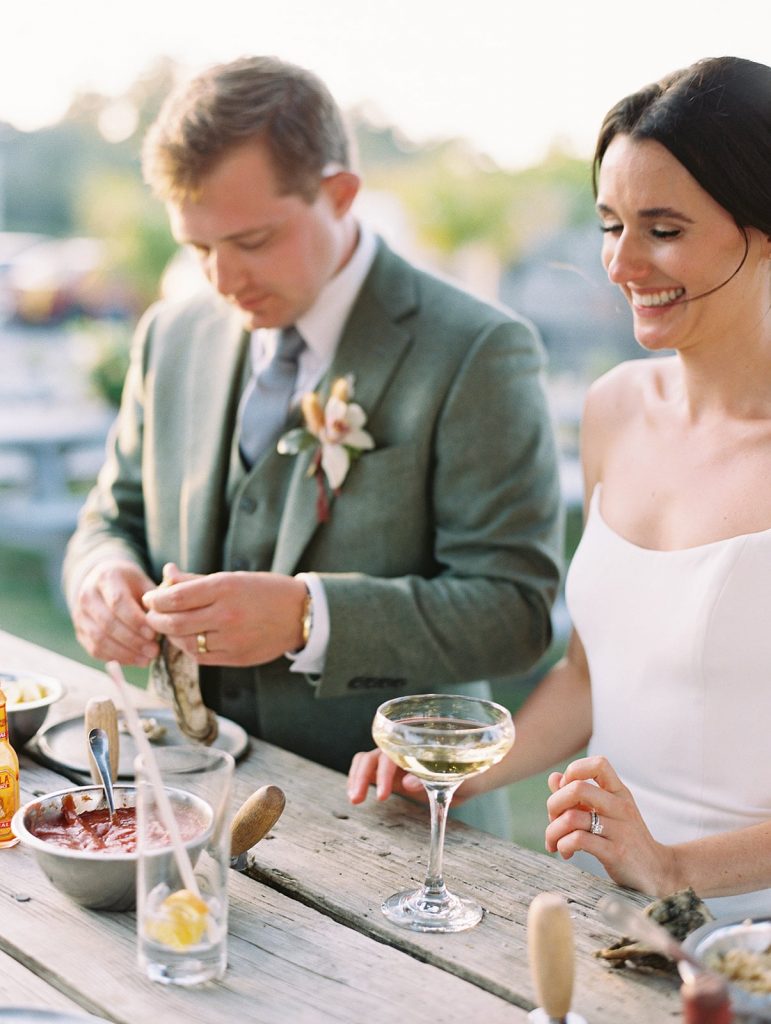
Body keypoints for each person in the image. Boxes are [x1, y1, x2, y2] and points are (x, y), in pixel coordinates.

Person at [63, 55, 563, 834]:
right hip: (177, 807)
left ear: (340, 194)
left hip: (389, 829)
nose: (222, 278)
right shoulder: (172, 333)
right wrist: (101, 574)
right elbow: (110, 513)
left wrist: (310, 617)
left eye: (253, 239)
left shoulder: (477, 349)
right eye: (198, 249)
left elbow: (517, 610)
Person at [348, 55, 771, 915]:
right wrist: (452, 773)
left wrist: (672, 866)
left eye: (663, 228)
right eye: (610, 224)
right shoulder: (613, 409)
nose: (620, 265)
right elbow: (590, 674)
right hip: (595, 915)